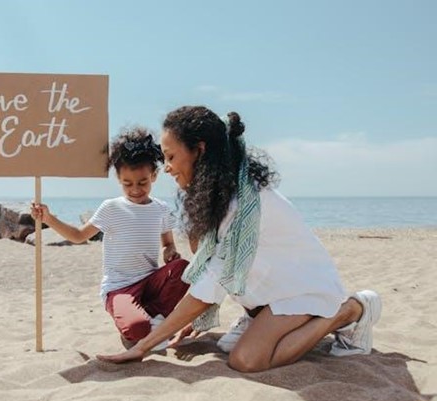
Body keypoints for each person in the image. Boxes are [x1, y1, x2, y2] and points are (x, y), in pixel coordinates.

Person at [97, 106, 382, 372]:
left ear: (199, 150)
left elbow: (212, 280)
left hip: (303, 290)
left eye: (171, 157)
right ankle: (258, 316)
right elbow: (208, 266)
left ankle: (348, 310)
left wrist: (144, 346)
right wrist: (193, 316)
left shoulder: (242, 205)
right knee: (230, 345)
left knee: (247, 359)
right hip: (268, 294)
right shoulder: (218, 191)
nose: (167, 167)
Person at [31, 127, 189, 349]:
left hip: (150, 283)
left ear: (153, 175)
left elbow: (168, 244)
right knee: (136, 329)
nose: (135, 189)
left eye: (142, 182)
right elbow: (78, 236)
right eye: (127, 183)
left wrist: (170, 253)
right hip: (120, 288)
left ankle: (156, 320)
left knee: (183, 269)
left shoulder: (160, 209)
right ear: (118, 179)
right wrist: (49, 218)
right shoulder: (111, 208)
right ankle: (141, 327)